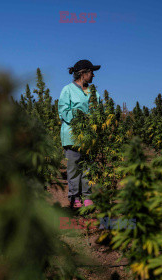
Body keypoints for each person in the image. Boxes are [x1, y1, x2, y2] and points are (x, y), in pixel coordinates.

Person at [58, 59, 101, 209]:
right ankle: (75, 197)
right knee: (74, 169)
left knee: (87, 168)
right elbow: (63, 111)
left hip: (89, 137)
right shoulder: (67, 90)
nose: (93, 75)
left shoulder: (94, 92)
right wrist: (80, 118)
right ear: (83, 74)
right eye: (91, 72)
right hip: (72, 136)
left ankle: (88, 197)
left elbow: (97, 111)